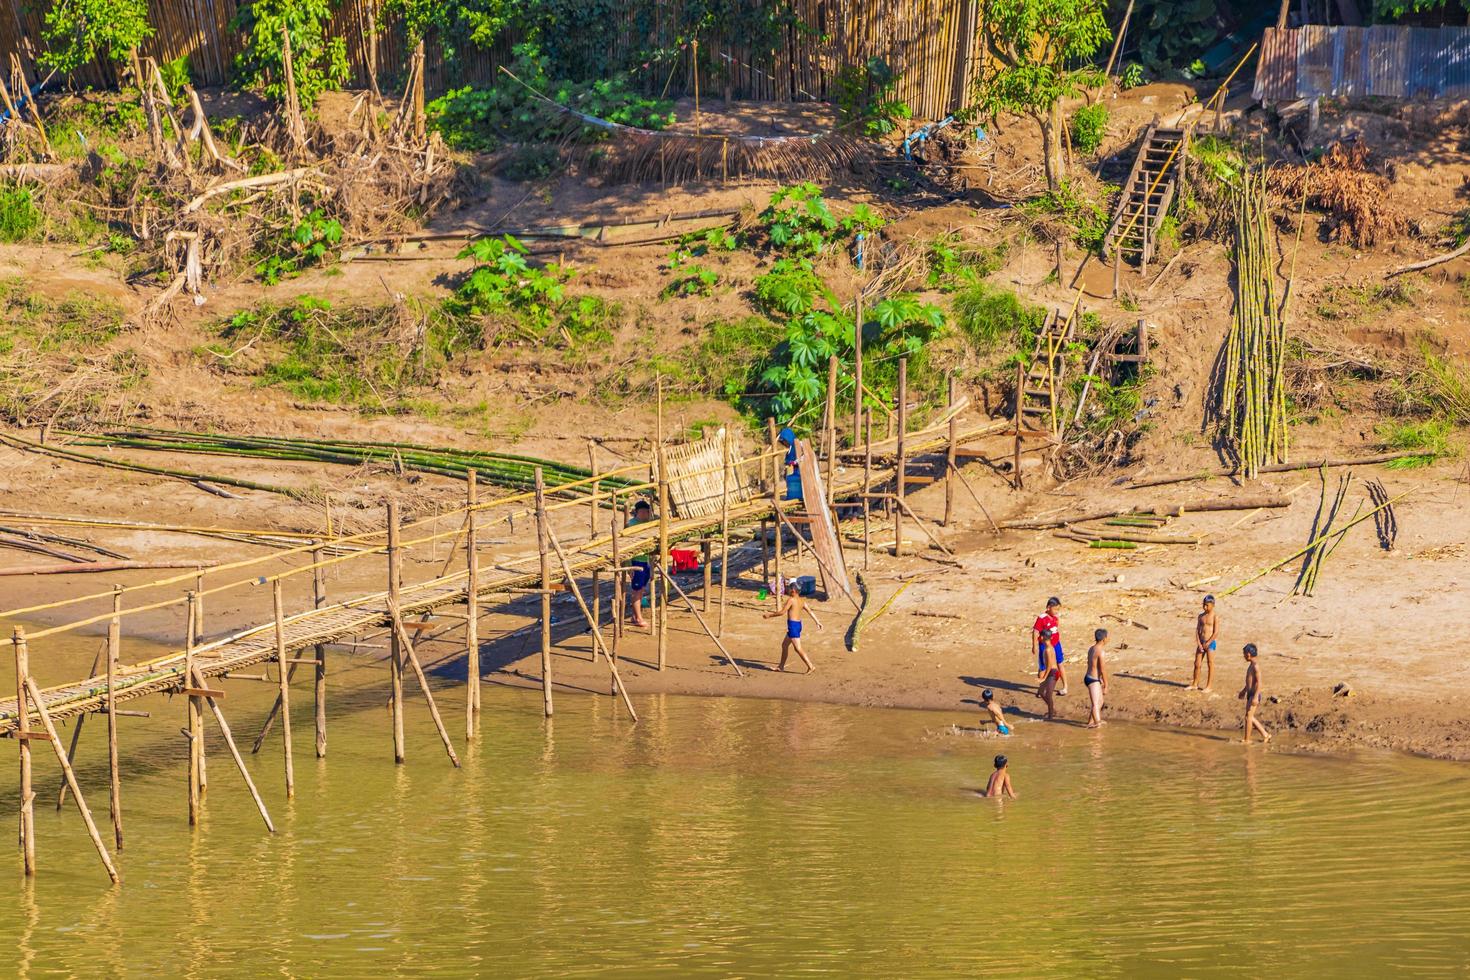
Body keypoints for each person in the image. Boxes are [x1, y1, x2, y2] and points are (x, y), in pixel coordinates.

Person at [763, 580, 822, 673]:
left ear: (793, 590)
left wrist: (769, 615)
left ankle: (811, 666)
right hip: (798, 625)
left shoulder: (791, 600)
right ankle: (781, 666)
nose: (788, 590)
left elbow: (782, 612)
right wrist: (817, 622)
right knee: (784, 645)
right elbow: (810, 611)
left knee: (798, 648)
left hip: (793, 626)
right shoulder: (802, 600)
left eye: (789, 589)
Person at [625, 500, 654, 628]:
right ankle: (638, 618)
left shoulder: (649, 523)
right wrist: (628, 564)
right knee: (637, 591)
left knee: (641, 589)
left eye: (647, 511)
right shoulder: (631, 525)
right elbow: (625, 546)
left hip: (645, 560)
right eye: (642, 511)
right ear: (636, 512)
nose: (644, 514)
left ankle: (634, 615)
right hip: (636, 560)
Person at [1033, 597, 1068, 697]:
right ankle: (1042, 689)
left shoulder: (1055, 618)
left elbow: (1056, 627)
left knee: (1060, 663)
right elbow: (1036, 632)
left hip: (1056, 644)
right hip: (1044, 646)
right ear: (1048, 607)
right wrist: (1034, 645)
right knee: (1043, 667)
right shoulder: (1041, 618)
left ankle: (1065, 686)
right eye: (1055, 609)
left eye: (1058, 609)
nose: (1057, 612)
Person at [1238, 643, 1273, 744]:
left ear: (1248, 654)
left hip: (1254, 695)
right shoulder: (1251, 665)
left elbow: (1259, 683)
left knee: (1248, 717)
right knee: (1249, 717)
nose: (1243, 656)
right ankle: (1265, 734)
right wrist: (1244, 691)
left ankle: (1247, 740)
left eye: (1244, 654)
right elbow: (1250, 681)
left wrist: (1256, 697)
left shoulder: (1256, 666)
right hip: (1250, 694)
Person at [1189, 595, 1219, 693]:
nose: (1205, 607)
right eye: (1204, 605)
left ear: (1213, 605)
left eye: (1207, 605)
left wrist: (1209, 642)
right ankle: (1195, 684)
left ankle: (1209, 686)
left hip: (1210, 643)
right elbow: (1198, 630)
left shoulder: (1215, 617)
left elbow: (1216, 633)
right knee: (1197, 664)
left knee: (1210, 664)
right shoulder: (1201, 616)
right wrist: (1199, 643)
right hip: (1201, 643)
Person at [1084, 628, 1109, 729]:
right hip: (1093, 680)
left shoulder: (1091, 648)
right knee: (1095, 703)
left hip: (1091, 677)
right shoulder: (1101, 652)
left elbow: (1090, 663)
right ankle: (1097, 724)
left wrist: (1100, 680)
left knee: (1100, 702)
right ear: (1104, 639)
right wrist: (1106, 685)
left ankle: (1090, 722)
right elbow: (1103, 669)